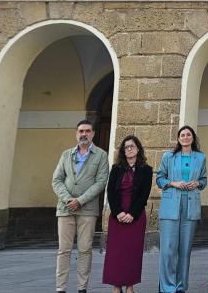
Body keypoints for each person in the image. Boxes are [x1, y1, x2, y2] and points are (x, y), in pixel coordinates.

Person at [51, 119, 110, 293]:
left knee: (85, 249)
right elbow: (56, 180)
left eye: (87, 131)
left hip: (87, 210)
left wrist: (81, 200)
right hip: (65, 208)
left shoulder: (101, 155)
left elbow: (101, 182)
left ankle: (82, 288)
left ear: (93, 134)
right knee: (64, 250)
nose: (84, 134)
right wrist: (68, 199)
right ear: (76, 133)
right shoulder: (66, 155)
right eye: (81, 131)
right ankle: (60, 288)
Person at [156, 125, 208, 293]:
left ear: (193, 138)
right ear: (178, 139)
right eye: (182, 135)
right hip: (171, 206)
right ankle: (166, 287)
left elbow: (204, 180)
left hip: (190, 206)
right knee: (168, 250)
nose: (185, 137)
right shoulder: (168, 157)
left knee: (185, 250)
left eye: (188, 135)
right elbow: (160, 179)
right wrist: (173, 183)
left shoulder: (200, 158)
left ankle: (180, 287)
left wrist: (198, 183)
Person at [102, 135, 153, 293]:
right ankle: (116, 286)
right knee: (116, 253)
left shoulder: (146, 170)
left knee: (132, 253)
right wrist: (117, 212)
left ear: (138, 149)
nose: (129, 149)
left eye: (132, 146)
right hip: (117, 215)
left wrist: (132, 213)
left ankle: (130, 286)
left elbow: (144, 194)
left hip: (135, 215)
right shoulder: (116, 169)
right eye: (126, 147)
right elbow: (110, 192)